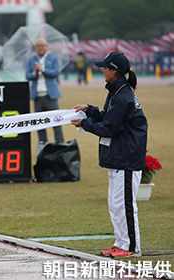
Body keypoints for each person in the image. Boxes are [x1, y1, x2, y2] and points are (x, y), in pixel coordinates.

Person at [71, 51, 147, 258]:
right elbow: (109, 117)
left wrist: (84, 123)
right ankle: (121, 242)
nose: (102, 70)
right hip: (118, 156)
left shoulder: (123, 96)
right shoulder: (117, 91)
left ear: (114, 71)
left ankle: (131, 247)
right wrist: (90, 110)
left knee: (124, 205)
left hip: (126, 158)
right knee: (115, 205)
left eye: (105, 67)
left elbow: (110, 128)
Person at [26, 38, 64, 147]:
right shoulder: (31, 60)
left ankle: (60, 144)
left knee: (56, 122)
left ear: (47, 47)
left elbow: (56, 72)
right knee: (40, 123)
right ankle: (43, 145)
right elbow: (27, 76)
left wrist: (42, 70)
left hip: (50, 96)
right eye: (38, 46)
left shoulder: (53, 58)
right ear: (35, 48)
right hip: (37, 96)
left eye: (42, 45)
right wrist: (35, 72)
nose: (40, 48)